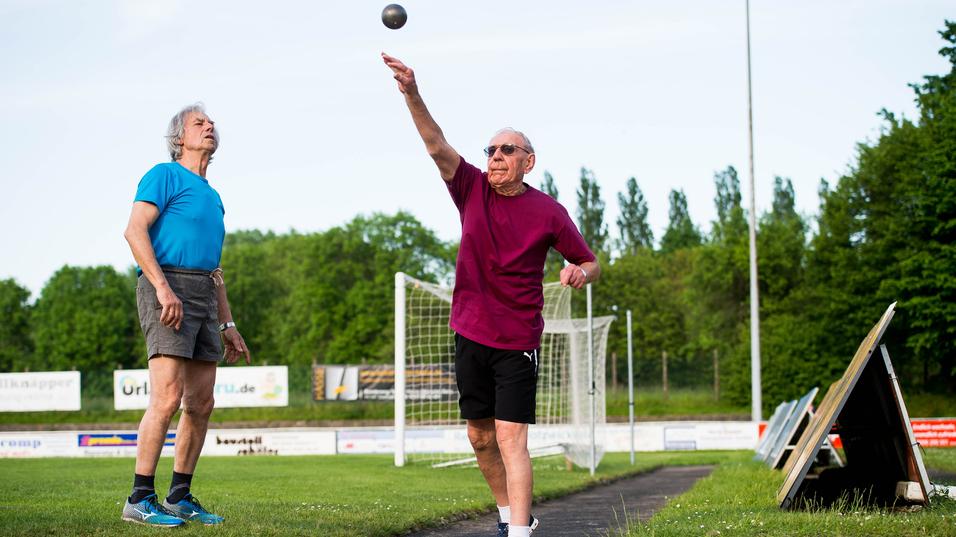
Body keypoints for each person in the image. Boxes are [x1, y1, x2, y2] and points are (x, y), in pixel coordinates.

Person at [383, 53, 601, 537]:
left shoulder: (549, 212)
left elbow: (591, 262)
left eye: (507, 149)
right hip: (470, 332)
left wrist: (580, 272)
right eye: (491, 150)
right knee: (480, 438)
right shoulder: (471, 189)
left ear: (528, 161)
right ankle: (509, 516)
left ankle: (519, 532)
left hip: (518, 339)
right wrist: (412, 92)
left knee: (510, 438)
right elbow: (435, 143)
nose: (496, 156)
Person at [121, 104, 250, 527]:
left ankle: (179, 496)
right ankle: (139, 498)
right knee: (167, 396)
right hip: (167, 284)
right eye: (199, 123)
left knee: (201, 402)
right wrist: (162, 288)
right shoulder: (164, 175)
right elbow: (134, 231)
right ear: (179, 138)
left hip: (204, 291)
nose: (210, 126)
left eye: (211, 123)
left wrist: (227, 323)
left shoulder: (214, 197)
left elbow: (215, 268)